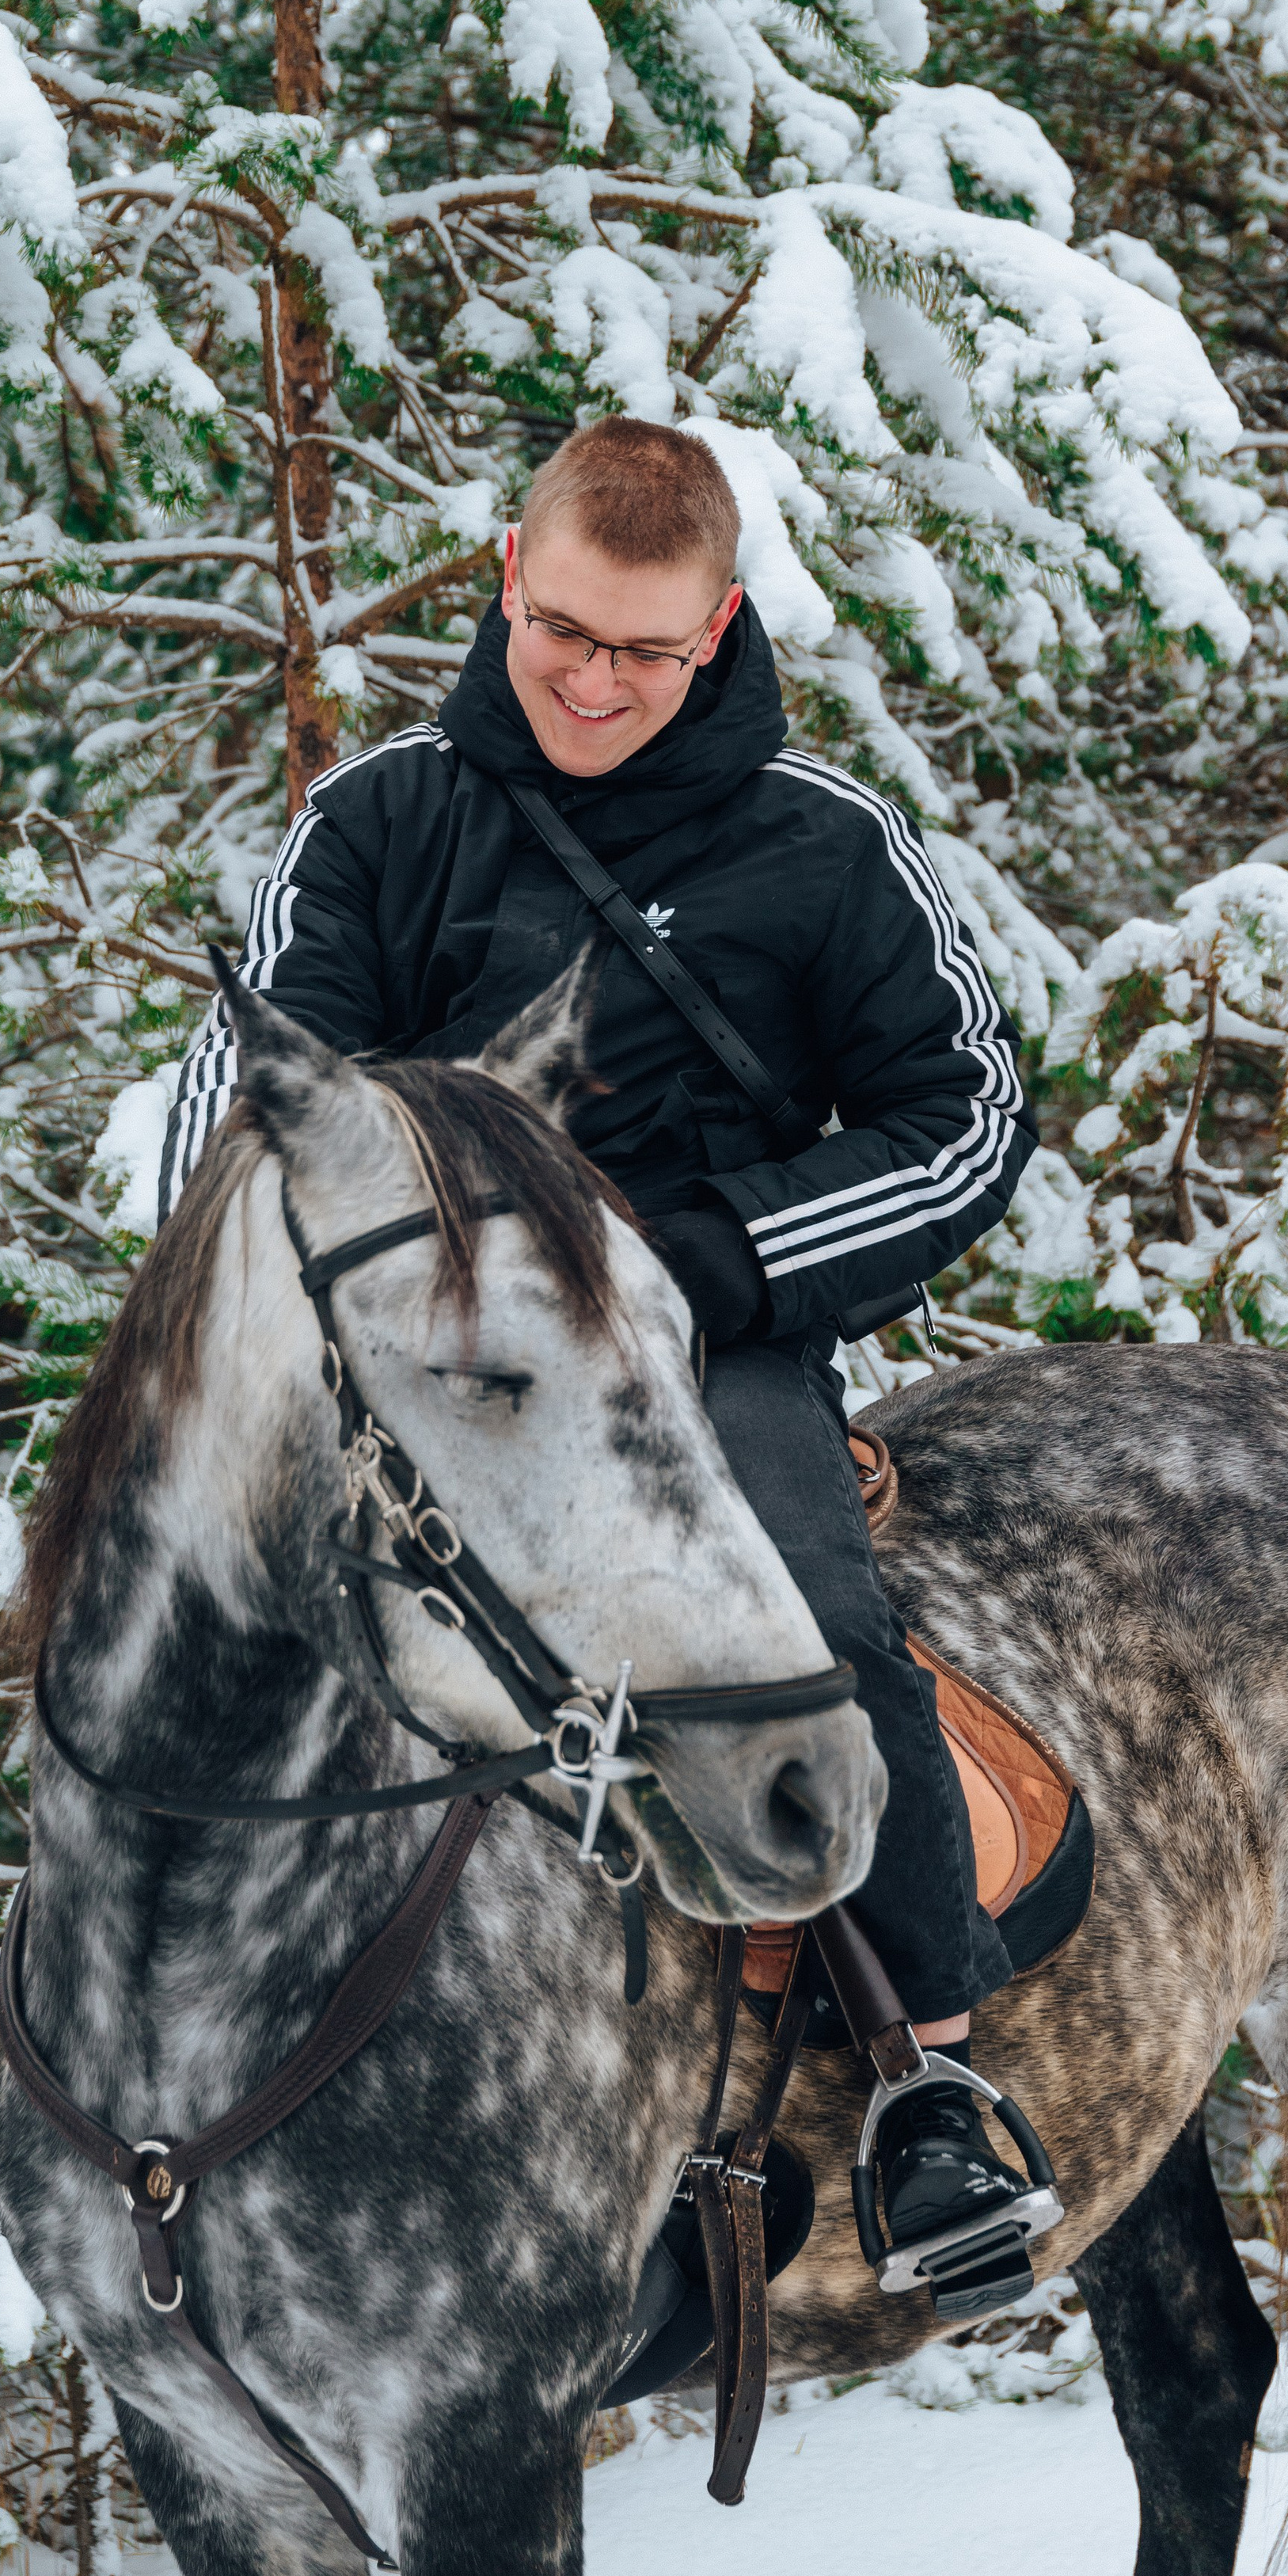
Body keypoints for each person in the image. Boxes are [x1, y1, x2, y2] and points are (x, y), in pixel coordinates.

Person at [159, 418, 1042, 2277]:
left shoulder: (822, 847)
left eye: (647, 649)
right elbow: (259, 1104)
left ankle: (924, 2079)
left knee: (805, 1606)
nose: (595, 679)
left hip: (702, 1333)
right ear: (508, 576)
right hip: (419, 1346)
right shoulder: (384, 818)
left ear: (716, 626)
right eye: (567, 630)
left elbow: (962, 1119)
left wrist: (711, 1261)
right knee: (211, 1619)